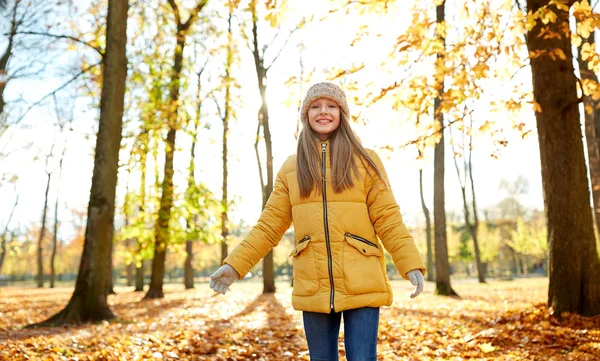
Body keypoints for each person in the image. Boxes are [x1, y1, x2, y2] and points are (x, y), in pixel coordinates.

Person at [209, 82, 426, 361]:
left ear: (342, 113)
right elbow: (269, 226)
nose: (323, 112)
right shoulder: (291, 167)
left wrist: (410, 263)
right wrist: (234, 266)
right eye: (315, 106)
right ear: (306, 114)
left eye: (331, 106)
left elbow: (388, 218)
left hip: (362, 278)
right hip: (314, 283)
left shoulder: (366, 160)